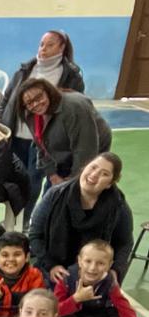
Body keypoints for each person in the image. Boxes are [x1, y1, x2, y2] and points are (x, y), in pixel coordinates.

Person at [15, 77, 110, 222]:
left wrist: (73, 181)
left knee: (74, 195)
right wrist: (52, 174)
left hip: (91, 150)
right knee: (52, 195)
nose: (35, 104)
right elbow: (40, 144)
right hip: (61, 151)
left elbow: (85, 149)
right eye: (29, 103)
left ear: (48, 91)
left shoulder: (74, 107)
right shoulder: (30, 114)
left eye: (38, 97)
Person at [29, 153, 132, 283]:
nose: (94, 175)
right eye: (93, 167)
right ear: (84, 168)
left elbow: (124, 243)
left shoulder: (118, 206)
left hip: (95, 274)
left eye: (104, 174)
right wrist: (51, 266)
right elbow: (35, 235)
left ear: (109, 184)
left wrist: (115, 271)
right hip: (54, 271)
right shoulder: (55, 195)